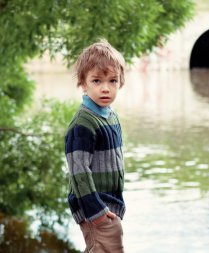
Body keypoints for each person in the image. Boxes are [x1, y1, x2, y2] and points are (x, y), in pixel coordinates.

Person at [64, 39, 126, 253]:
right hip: (94, 206)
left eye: (112, 81)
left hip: (109, 203)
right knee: (109, 246)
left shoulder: (111, 116)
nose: (105, 88)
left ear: (121, 82)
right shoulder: (83, 123)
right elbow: (78, 171)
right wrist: (97, 211)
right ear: (83, 83)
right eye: (97, 81)